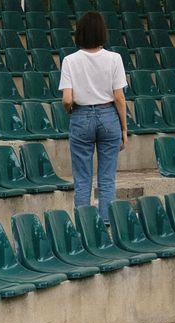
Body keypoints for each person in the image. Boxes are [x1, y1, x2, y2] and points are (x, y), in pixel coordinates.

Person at [58, 11, 127, 221]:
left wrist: (73, 111)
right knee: (107, 179)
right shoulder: (115, 58)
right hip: (108, 116)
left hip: (81, 117)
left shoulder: (70, 61)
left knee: (82, 179)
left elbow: (67, 99)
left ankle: (84, 226)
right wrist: (124, 128)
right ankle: (105, 225)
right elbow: (119, 98)